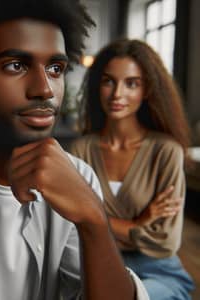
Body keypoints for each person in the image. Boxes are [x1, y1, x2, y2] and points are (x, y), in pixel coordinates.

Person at [0, 1, 150, 300]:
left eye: (55, 68)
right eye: (16, 66)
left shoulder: (79, 176)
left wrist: (94, 220)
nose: (44, 89)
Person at [69, 38, 195, 299]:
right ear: (97, 86)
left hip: (158, 273)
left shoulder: (166, 151)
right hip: (94, 266)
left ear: (146, 90)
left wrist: (96, 222)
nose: (117, 94)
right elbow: (69, 227)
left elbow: (165, 241)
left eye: (132, 83)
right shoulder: (81, 150)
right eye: (108, 81)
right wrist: (138, 224)